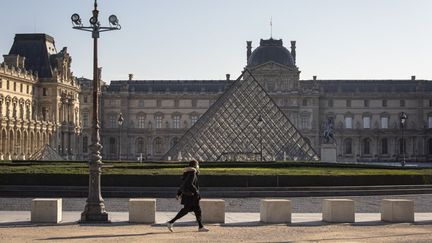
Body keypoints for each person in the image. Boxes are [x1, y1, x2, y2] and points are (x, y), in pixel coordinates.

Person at [166, 159, 209, 232]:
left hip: (187, 195)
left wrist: (178, 193)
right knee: (191, 210)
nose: (198, 166)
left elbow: (183, 184)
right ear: (195, 165)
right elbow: (189, 184)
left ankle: (200, 226)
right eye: (198, 164)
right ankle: (171, 222)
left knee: (195, 210)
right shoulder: (192, 172)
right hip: (192, 196)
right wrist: (196, 191)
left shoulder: (187, 172)